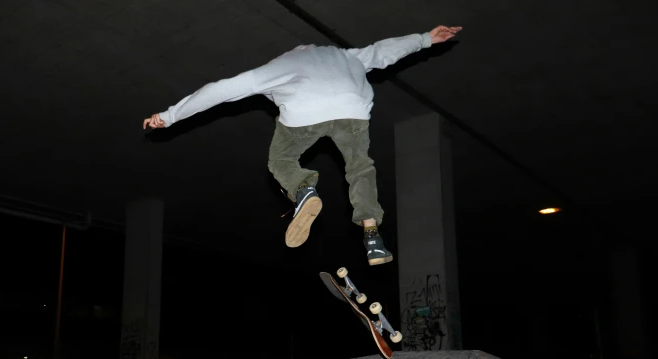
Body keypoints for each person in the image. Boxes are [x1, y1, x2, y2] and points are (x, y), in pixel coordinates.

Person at [144, 25, 462, 265]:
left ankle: (303, 189)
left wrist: (170, 115)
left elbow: (221, 89)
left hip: (303, 115)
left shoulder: (281, 64)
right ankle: (371, 234)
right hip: (352, 111)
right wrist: (426, 38)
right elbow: (384, 51)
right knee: (360, 166)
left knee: (280, 159)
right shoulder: (345, 56)